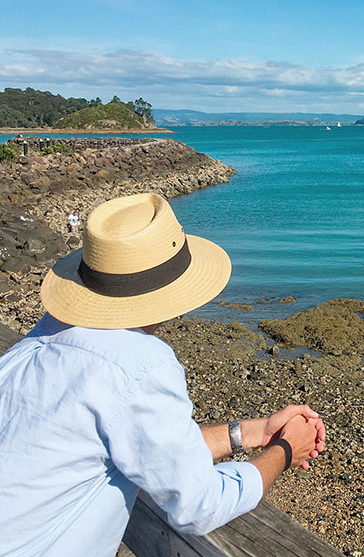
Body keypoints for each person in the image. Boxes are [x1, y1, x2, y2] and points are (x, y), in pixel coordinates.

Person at [0, 192, 325, 557]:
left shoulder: (43, 337)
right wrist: (284, 450)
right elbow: (199, 507)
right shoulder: (141, 364)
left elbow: (152, 450)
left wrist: (253, 432)